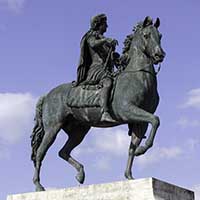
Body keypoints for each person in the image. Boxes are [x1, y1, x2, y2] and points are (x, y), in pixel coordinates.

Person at [74, 13, 119, 122]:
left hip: (105, 69)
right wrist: (106, 41)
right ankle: (104, 112)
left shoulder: (103, 39)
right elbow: (93, 44)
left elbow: (111, 57)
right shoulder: (91, 35)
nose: (107, 26)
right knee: (107, 82)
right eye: (105, 24)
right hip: (96, 70)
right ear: (98, 25)